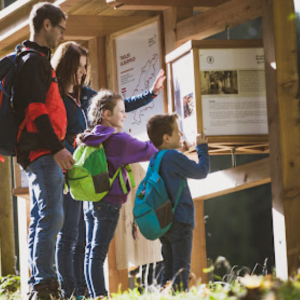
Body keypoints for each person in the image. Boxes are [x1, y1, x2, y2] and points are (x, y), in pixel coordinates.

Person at [51, 41, 166, 299]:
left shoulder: (86, 94)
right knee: (68, 234)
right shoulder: (55, 95)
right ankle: (69, 290)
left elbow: (117, 105)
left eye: (85, 66)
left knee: (82, 236)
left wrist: (150, 95)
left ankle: (83, 290)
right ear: (67, 65)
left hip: (90, 174)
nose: (83, 71)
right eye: (79, 66)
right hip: (66, 169)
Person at [13, 3, 75, 300]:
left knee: (42, 216)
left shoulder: (33, 59)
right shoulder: (34, 60)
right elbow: (36, 109)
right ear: (47, 25)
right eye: (61, 29)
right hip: (42, 151)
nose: (62, 36)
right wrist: (58, 148)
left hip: (38, 152)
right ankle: (44, 286)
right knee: (51, 215)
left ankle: (40, 284)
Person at [76, 89, 157, 298]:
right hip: (109, 202)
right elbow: (149, 150)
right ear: (106, 114)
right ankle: (101, 295)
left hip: (90, 201)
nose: (125, 114)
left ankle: (96, 295)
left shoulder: (90, 137)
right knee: (98, 253)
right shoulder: (118, 139)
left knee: (90, 253)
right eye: (120, 111)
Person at [146, 113, 209, 291]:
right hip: (180, 221)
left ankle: (164, 295)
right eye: (178, 131)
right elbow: (201, 171)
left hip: (164, 223)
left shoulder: (155, 158)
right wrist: (202, 148)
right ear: (166, 138)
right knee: (181, 270)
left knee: (169, 270)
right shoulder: (173, 157)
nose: (181, 134)